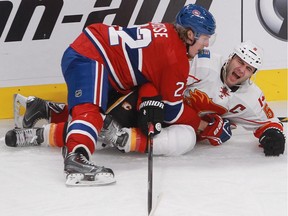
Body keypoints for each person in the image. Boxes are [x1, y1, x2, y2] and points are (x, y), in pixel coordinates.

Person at [4, 4, 216, 186]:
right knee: (90, 114)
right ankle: (77, 158)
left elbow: (149, 74)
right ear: (190, 35)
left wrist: (149, 96)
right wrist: (201, 125)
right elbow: (171, 111)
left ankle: (44, 109)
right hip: (91, 57)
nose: (206, 44)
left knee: (105, 120)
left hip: (100, 60)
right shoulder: (176, 58)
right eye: (205, 38)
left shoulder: (167, 32)